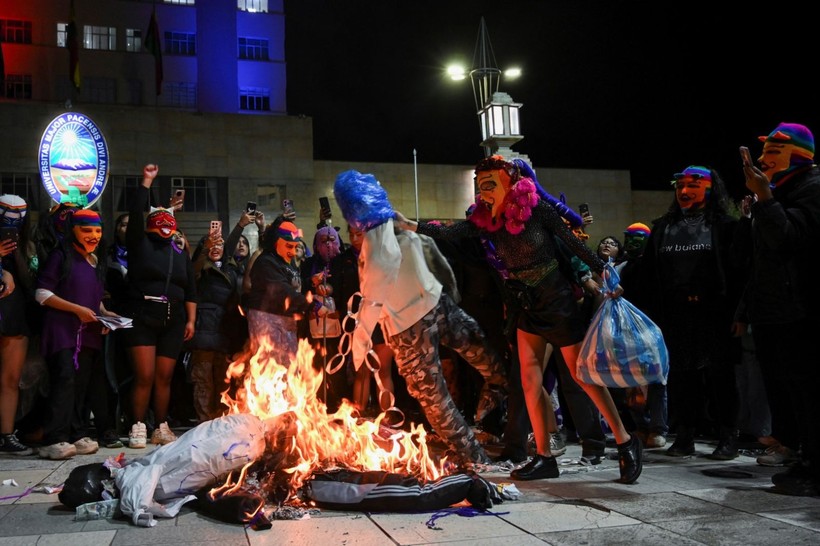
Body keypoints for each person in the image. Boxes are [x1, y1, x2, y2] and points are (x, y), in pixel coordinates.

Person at [395, 155, 642, 483]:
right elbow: (454, 232)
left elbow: (572, 244)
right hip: (525, 305)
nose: (483, 193)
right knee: (529, 383)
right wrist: (411, 225)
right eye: (479, 186)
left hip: (557, 300)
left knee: (581, 379)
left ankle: (624, 443)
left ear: (509, 183)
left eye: (490, 185)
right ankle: (544, 455)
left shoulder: (536, 209)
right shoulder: (487, 221)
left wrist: (604, 271)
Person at [334, 169, 509, 466]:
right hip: (436, 305)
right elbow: (430, 254)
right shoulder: (395, 227)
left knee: (434, 396)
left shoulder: (378, 249)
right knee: (480, 354)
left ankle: (474, 451)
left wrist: (359, 346)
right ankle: (497, 400)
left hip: (412, 325)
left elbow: (372, 302)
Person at [733, 122, 820, 496]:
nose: (764, 160)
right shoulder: (781, 191)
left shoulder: (811, 188)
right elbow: (759, 261)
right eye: (764, 152)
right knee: (790, 391)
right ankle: (804, 457)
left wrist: (765, 198)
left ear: (798, 154)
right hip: (775, 311)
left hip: (800, 311)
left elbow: (788, 241)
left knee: (808, 390)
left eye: (773, 152)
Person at [635, 166, 742, 460]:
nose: (684, 191)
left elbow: (738, 274)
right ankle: (684, 436)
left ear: (710, 188)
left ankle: (727, 436)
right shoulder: (662, 227)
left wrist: (739, 314)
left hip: (715, 314)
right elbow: (648, 277)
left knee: (720, 378)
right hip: (674, 314)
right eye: (679, 185)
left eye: (693, 185)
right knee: (682, 380)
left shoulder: (726, 226)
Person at [119, 164, 197, 448]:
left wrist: (190, 320)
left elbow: (190, 288)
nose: (164, 220)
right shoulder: (139, 244)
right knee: (145, 376)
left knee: (164, 377)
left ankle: (161, 426)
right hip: (141, 316)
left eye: (169, 217)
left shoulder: (179, 251)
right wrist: (146, 182)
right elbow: (137, 212)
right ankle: (137, 425)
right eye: (158, 215)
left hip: (173, 319)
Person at [35, 209, 118, 459]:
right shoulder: (60, 256)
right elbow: (42, 294)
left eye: (97, 230)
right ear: (73, 230)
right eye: (87, 230)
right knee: (64, 381)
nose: (93, 235)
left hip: (88, 334)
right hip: (62, 331)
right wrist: (77, 310)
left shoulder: (96, 260)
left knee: (82, 386)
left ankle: (76, 432)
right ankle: (54, 438)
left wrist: (105, 313)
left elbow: (93, 297)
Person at [244, 217, 329, 367]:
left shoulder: (286, 261)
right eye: (288, 246)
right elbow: (281, 291)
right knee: (271, 369)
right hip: (268, 321)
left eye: (295, 247)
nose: (293, 252)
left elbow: (292, 285)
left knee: (289, 369)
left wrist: (310, 282)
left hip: (287, 321)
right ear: (275, 242)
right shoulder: (266, 262)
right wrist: (311, 305)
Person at [617, 222, 669, 449]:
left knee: (656, 380)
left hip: (653, 328)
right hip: (628, 332)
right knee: (630, 382)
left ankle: (658, 428)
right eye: (629, 238)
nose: (632, 243)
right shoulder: (621, 268)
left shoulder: (657, 264)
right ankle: (641, 425)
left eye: (638, 238)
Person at [186, 227, 243, 423]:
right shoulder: (201, 269)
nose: (215, 247)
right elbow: (193, 270)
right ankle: (204, 423)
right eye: (210, 244)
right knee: (203, 382)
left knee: (222, 382)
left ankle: (219, 423)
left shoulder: (233, 270)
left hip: (224, 333)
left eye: (219, 244)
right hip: (203, 332)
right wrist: (203, 250)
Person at [0, 194, 35, 455]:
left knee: (11, 378)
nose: (12, 218)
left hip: (16, 313)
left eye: (18, 214)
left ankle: (7, 434)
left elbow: (30, 283)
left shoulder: (27, 246)